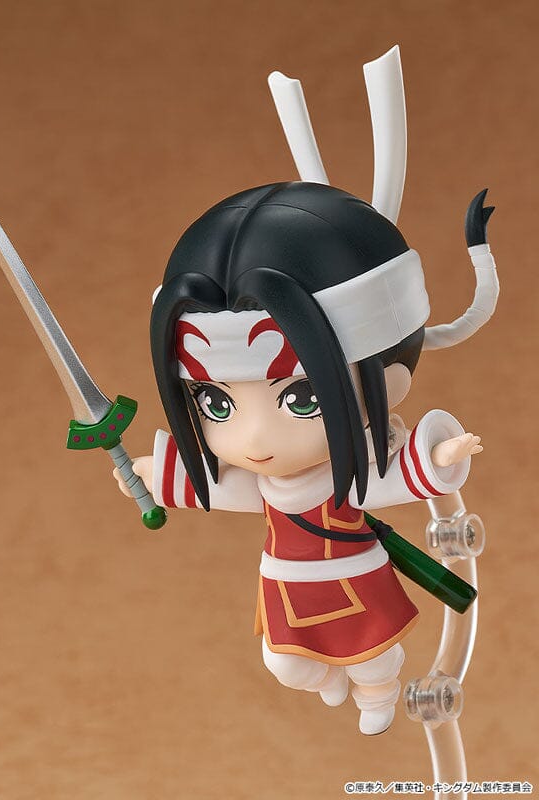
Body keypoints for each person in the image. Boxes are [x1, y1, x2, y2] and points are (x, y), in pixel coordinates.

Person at [115, 181, 488, 735]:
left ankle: (378, 693)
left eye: (301, 398)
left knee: (371, 656)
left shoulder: (348, 476)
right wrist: (154, 475)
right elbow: (224, 488)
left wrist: (438, 455)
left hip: (351, 576)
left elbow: (393, 480)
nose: (254, 437)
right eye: (216, 403)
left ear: (388, 380)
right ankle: (327, 678)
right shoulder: (262, 480)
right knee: (286, 664)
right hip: (285, 583)